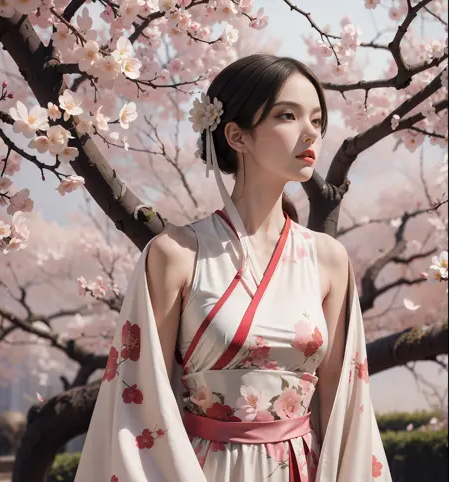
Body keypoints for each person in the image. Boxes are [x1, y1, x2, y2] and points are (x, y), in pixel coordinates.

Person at [74, 54, 392, 482]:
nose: (310, 132)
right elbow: (142, 397)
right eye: (287, 115)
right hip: (205, 470)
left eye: (316, 120)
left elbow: (343, 405)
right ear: (236, 135)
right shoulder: (176, 254)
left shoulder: (328, 259)